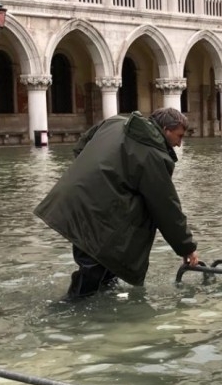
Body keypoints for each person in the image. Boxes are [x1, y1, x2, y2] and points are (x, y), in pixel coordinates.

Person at [35, 108, 199, 301]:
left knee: (103, 266)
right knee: (92, 271)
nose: (179, 144)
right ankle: (67, 315)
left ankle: (94, 311)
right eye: (179, 136)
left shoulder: (116, 121)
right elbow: (166, 208)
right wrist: (186, 248)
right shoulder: (154, 154)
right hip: (96, 213)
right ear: (165, 129)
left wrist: (97, 178)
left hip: (75, 199)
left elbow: (80, 146)